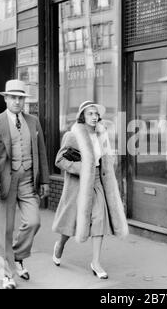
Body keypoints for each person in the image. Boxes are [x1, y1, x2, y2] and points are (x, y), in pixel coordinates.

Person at [0, 80, 50, 289]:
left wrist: (45, 180)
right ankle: (6, 275)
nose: (17, 101)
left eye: (21, 98)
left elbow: (41, 152)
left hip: (28, 180)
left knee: (34, 221)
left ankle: (17, 256)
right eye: (13, 97)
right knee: (5, 230)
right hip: (4, 183)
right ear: (6, 99)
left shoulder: (33, 121)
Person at [52, 101, 128, 279]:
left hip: (97, 182)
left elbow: (104, 159)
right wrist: (81, 167)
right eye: (90, 114)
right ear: (82, 117)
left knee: (99, 219)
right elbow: (59, 160)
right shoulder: (73, 135)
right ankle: (60, 245)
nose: (94, 117)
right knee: (72, 221)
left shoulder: (102, 135)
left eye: (96, 114)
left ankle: (96, 262)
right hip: (79, 183)